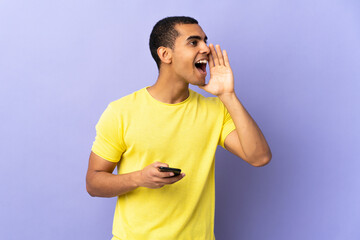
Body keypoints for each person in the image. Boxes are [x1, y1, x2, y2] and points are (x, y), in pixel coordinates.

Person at [86, 16, 272, 240]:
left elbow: (259, 157)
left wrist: (228, 96)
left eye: (205, 40)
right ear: (166, 55)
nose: (206, 48)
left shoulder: (215, 110)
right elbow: (93, 182)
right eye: (194, 42)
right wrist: (139, 178)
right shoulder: (121, 112)